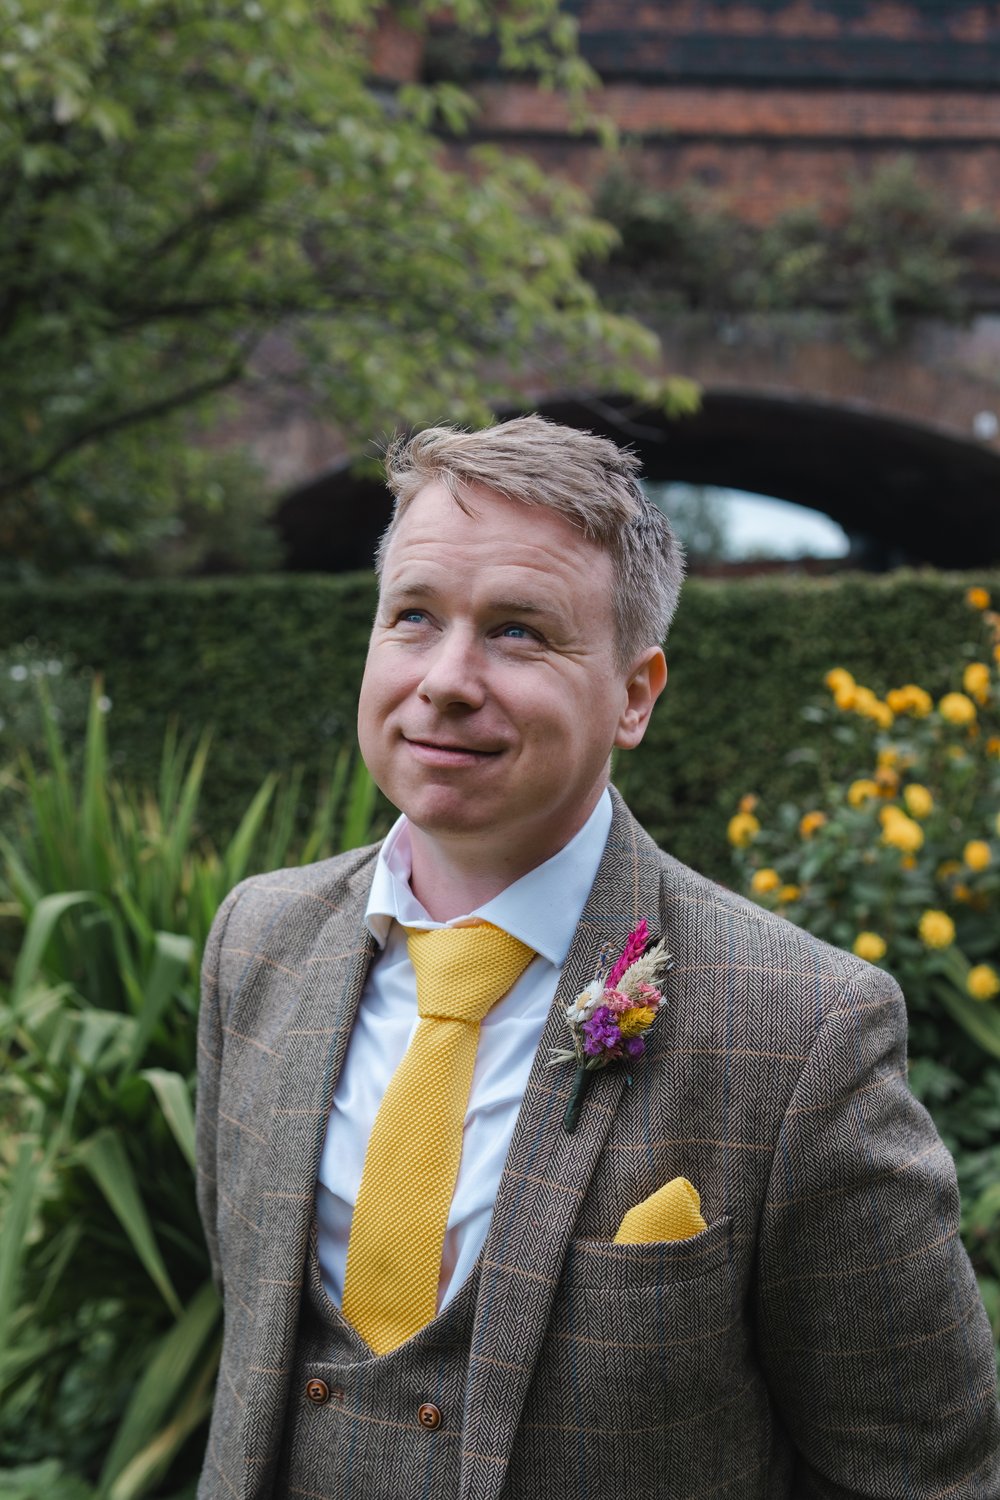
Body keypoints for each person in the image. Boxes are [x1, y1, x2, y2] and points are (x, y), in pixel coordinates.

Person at [195, 415, 999, 1500]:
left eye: (519, 631)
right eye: (414, 617)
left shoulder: (805, 1028)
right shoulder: (257, 943)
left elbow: (920, 1472)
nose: (445, 678)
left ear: (634, 693)